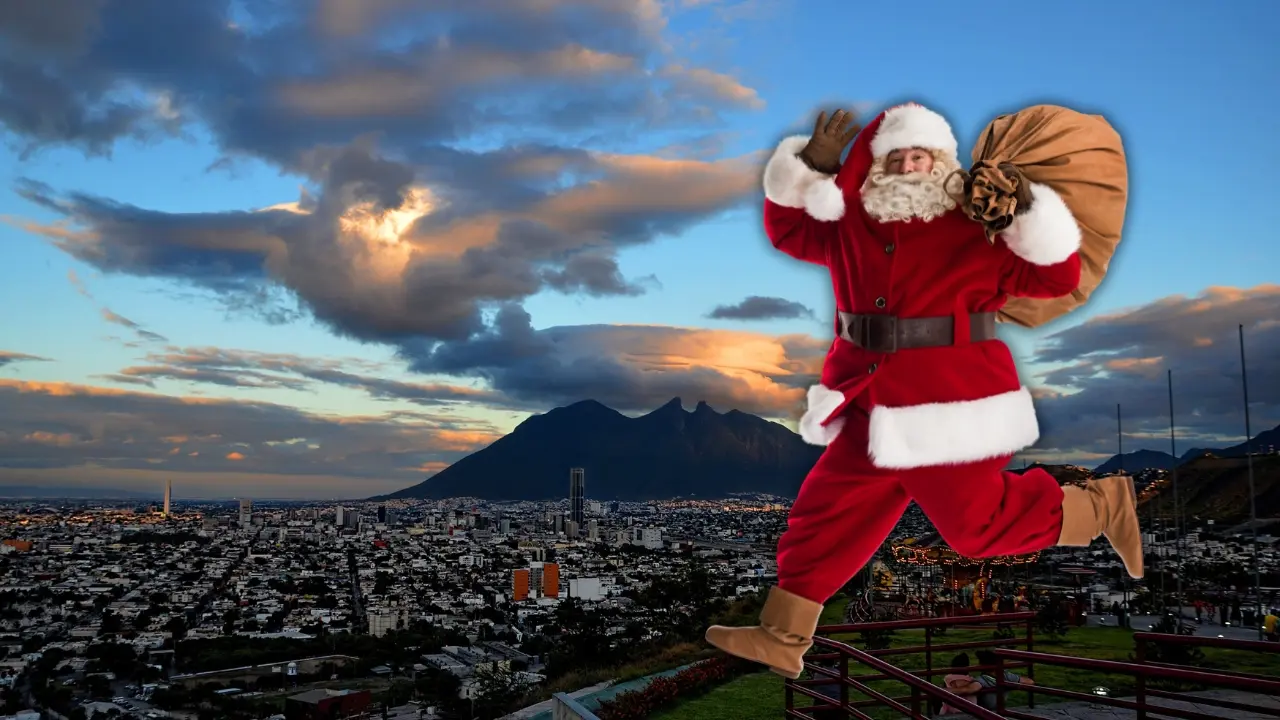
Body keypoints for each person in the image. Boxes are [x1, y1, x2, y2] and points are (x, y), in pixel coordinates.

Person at [704, 102, 1144, 679]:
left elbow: (1053, 276)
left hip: (951, 403)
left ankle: (1098, 507)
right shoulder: (849, 224)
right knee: (824, 513)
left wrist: (1024, 209)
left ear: (940, 162)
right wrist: (807, 168)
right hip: (869, 399)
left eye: (922, 155)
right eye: (897, 155)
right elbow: (789, 230)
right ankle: (784, 636)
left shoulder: (979, 226)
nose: (910, 165)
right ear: (876, 163)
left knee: (975, 530)